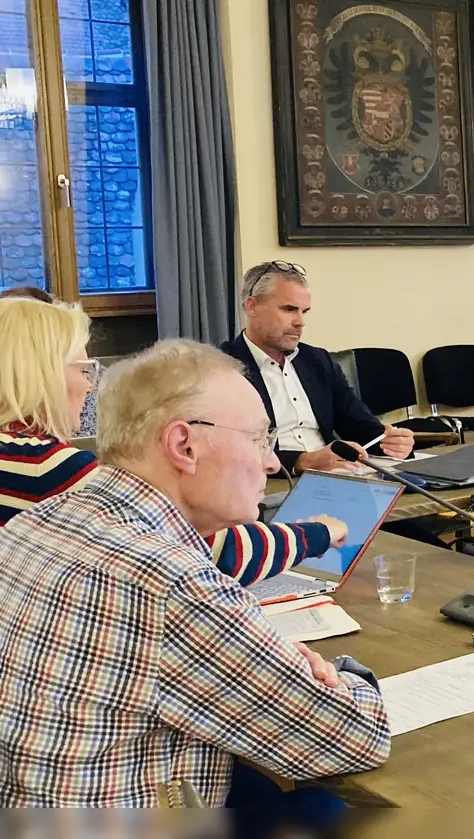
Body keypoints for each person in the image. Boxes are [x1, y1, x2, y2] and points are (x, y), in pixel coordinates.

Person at [0, 339, 389, 808]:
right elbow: (352, 738)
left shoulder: (37, 523)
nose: (270, 461)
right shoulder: (173, 582)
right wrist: (344, 676)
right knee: (331, 807)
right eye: (259, 438)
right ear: (183, 444)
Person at [0, 297, 346, 584]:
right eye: (83, 369)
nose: (89, 386)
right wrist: (318, 533)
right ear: (39, 373)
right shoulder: (45, 468)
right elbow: (214, 552)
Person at [220, 261, 414, 475]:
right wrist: (303, 461)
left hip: (337, 476)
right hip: (270, 481)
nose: (300, 322)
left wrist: (390, 442)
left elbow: (360, 426)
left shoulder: (317, 360)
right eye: (289, 309)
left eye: (304, 311)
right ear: (252, 306)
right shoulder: (223, 367)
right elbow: (228, 448)